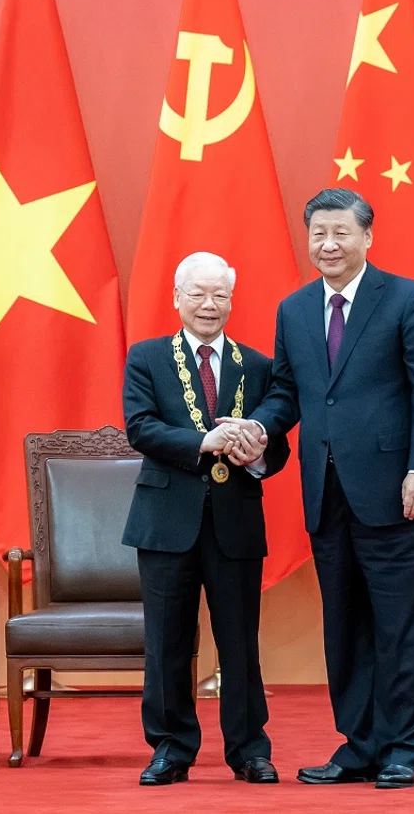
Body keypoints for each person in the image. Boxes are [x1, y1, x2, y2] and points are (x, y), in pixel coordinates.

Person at [220, 188, 414, 789]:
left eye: (341, 232)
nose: (328, 244)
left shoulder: (406, 299)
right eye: (318, 233)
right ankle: (360, 744)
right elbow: (288, 394)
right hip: (326, 493)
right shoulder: (294, 310)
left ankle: (404, 747)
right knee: (345, 626)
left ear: (367, 237)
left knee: (401, 626)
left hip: (399, 491)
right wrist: (256, 427)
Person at [121, 251, 289, 786]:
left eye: (219, 295)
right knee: (167, 640)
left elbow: (279, 449)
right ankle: (170, 748)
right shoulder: (146, 357)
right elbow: (140, 427)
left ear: (232, 301)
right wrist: (204, 441)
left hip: (235, 522)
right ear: (177, 298)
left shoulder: (258, 366)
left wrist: (255, 452)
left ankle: (248, 750)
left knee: (240, 641)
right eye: (197, 294)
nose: (209, 305)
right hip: (166, 520)